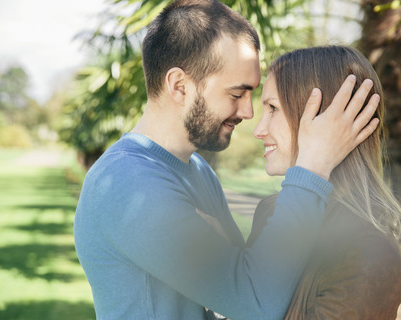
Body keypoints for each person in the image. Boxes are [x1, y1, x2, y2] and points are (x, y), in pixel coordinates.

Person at [74, 1, 380, 319]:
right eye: (236, 94)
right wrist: (313, 165)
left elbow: (244, 286)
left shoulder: (197, 171)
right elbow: (254, 301)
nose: (248, 112)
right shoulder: (126, 183)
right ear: (179, 86)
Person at [249, 45, 401, 319]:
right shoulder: (270, 212)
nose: (258, 130)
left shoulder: (370, 252)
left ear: (327, 117)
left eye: (273, 108)